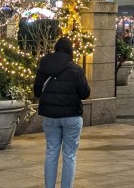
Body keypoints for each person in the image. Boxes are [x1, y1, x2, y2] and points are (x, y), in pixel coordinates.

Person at [33, 37, 91, 188]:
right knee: (69, 155)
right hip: (72, 116)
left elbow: (37, 91)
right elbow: (85, 93)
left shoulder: (44, 66)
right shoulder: (76, 69)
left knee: (51, 153)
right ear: (70, 51)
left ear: (56, 49)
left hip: (50, 116)